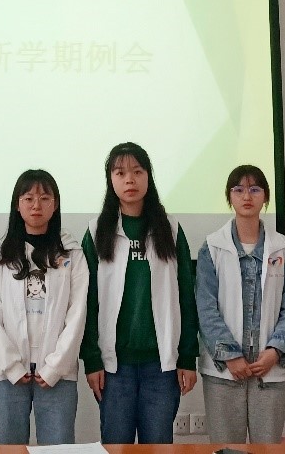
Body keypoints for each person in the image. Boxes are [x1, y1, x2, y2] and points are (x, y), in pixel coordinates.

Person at [79, 142, 199, 443]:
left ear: (148, 176)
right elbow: (86, 301)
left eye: (137, 171)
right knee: (116, 445)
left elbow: (186, 295)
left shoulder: (170, 229)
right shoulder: (96, 231)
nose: (129, 179)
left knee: (158, 446)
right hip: (113, 366)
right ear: (110, 179)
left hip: (161, 365)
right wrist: (91, 360)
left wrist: (188, 357)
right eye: (120, 173)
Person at [195, 164, 285, 443]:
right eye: (239, 190)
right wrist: (230, 355)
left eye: (255, 189)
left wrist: (275, 352)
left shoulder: (284, 249)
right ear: (229, 197)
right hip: (223, 372)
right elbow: (205, 308)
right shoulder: (212, 248)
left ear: (265, 197)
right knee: (226, 449)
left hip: (269, 370)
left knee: (267, 449)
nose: (247, 196)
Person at [0, 169, 89, 444]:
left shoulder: (72, 253)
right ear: (17, 205)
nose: (36, 205)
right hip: (9, 375)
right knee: (7, 450)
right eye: (28, 198)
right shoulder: (0, 255)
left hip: (58, 373)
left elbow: (77, 314)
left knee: (58, 450)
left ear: (55, 204)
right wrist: (12, 367)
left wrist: (55, 366)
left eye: (44, 198)